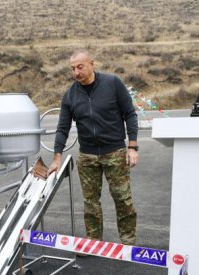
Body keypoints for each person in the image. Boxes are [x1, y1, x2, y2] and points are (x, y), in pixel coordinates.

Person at [48, 50, 138, 245]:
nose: (76, 72)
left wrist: (132, 147)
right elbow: (62, 129)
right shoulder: (70, 95)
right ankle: (94, 241)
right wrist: (57, 158)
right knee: (90, 204)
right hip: (87, 156)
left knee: (122, 199)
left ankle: (128, 241)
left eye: (80, 67)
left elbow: (130, 114)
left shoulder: (112, 83)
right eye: (72, 69)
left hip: (114, 152)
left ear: (91, 64)